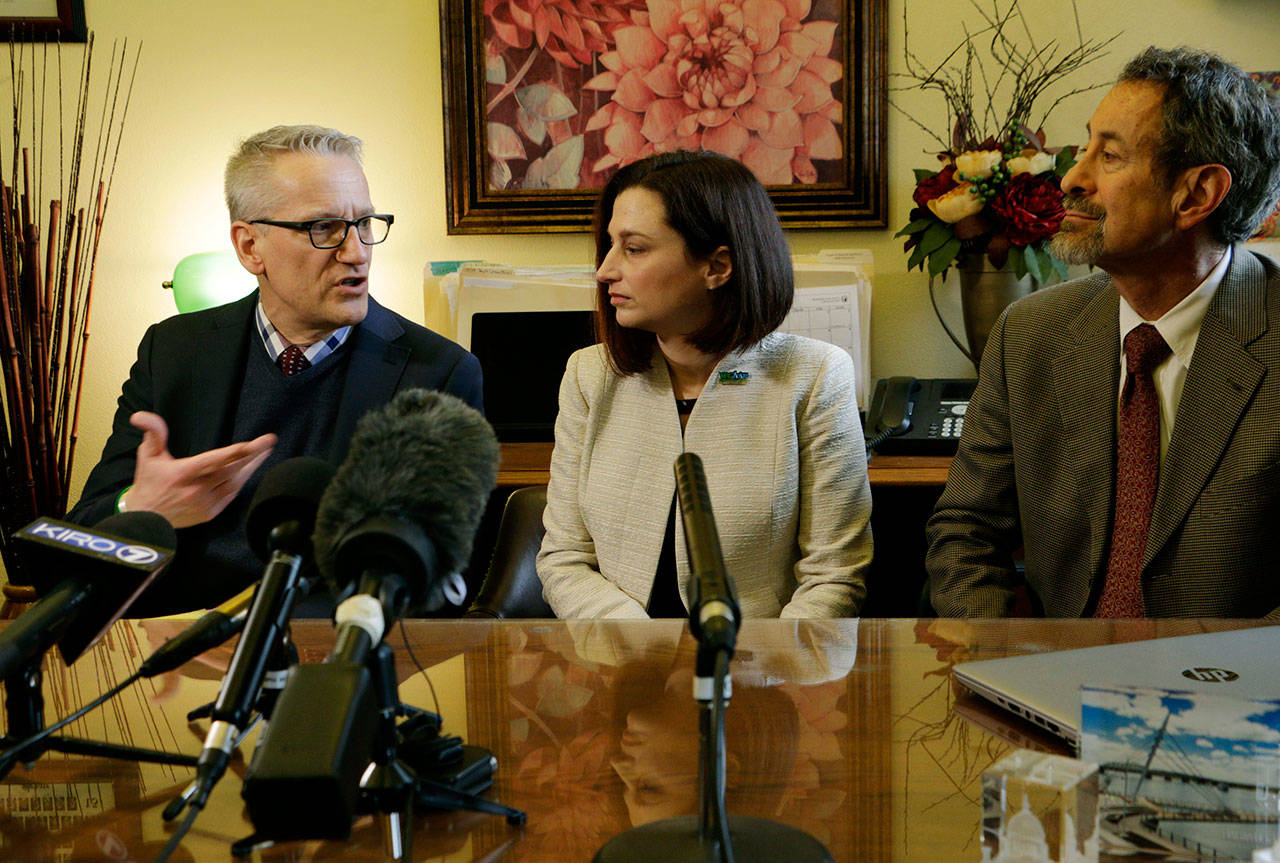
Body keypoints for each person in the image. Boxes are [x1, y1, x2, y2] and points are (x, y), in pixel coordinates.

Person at [68, 125, 482, 615]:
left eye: (365, 223)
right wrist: (138, 507)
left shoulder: (436, 372)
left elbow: (441, 581)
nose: (357, 252)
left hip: (330, 657)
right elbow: (84, 537)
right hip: (175, 652)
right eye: (323, 228)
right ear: (249, 247)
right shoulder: (175, 351)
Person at [927, 47, 1280, 618]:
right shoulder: (1029, 333)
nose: (1072, 176)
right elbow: (966, 532)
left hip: (1230, 690)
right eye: (1087, 146)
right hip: (1051, 684)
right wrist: (1012, 662)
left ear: (1197, 194)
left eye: (1109, 156)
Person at [536, 150, 872, 619]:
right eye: (609, 246)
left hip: (763, 674)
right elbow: (565, 559)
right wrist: (643, 654)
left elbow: (834, 577)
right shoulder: (589, 375)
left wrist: (756, 672)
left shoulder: (813, 375)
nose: (605, 270)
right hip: (619, 669)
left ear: (717, 266)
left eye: (633, 249)